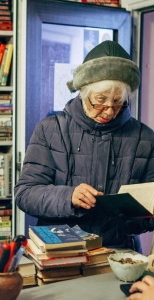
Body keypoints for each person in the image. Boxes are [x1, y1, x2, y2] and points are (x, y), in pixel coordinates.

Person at [14, 40, 154, 251]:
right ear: (82, 92)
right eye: (100, 101)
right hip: (58, 249)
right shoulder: (51, 129)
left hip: (118, 253)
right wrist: (68, 196)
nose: (108, 111)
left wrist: (148, 215)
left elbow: (144, 213)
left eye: (118, 102)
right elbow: (25, 194)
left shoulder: (145, 138)